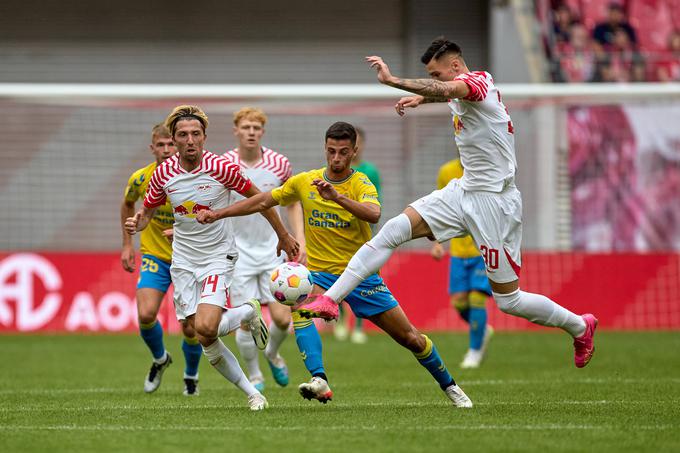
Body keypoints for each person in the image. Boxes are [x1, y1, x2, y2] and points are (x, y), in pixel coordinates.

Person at [300, 37, 598, 370]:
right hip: (464, 191)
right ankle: (330, 300)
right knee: (393, 230)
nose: (436, 80)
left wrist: (394, 81)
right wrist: (419, 98)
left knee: (509, 301)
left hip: (495, 203)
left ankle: (579, 326)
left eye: (437, 74)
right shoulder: (462, 92)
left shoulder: (477, 82)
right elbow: (446, 94)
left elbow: (450, 91)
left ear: (455, 67)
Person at [196, 121, 473, 408]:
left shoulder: (360, 183)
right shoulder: (305, 181)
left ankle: (451, 387)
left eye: (343, 152)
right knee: (298, 304)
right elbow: (262, 200)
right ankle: (319, 379)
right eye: (331, 151)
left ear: (353, 152)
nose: (336, 158)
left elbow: (374, 214)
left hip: (361, 277)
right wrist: (218, 214)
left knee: (412, 339)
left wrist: (337, 197)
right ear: (325, 150)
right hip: (319, 275)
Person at [125, 105, 299, 410]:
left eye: (195, 134)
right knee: (198, 334)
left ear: (204, 137)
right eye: (182, 135)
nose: (189, 140)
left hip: (218, 256)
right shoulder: (163, 175)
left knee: (206, 328)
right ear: (174, 139)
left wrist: (283, 235)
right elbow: (147, 214)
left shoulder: (222, 168)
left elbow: (262, 199)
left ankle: (246, 313)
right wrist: (137, 225)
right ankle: (253, 392)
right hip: (183, 261)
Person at [223, 107, 305, 392]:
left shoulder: (279, 164)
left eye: (256, 128)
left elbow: (292, 201)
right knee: (246, 320)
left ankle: (271, 353)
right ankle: (255, 375)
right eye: (245, 127)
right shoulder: (224, 164)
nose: (251, 132)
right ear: (236, 130)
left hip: (273, 249)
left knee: (283, 319)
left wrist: (300, 240)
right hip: (238, 254)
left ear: (262, 132)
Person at [121, 123, 203, 395]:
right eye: (161, 145)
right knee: (145, 314)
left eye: (171, 144)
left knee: (191, 328)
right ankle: (160, 359)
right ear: (152, 147)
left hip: (189, 258)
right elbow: (128, 203)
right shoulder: (141, 179)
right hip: (156, 255)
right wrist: (127, 244)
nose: (167, 150)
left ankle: (191, 376)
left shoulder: (192, 176)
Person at [430, 159, 493, 369]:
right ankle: (481, 329)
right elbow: (439, 208)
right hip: (458, 250)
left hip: (482, 247)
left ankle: (474, 351)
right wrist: (438, 242)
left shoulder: (487, 168)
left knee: (477, 298)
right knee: (459, 302)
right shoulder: (447, 171)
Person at [334, 126, 381, 344]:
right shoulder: (336, 171)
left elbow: (374, 204)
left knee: (364, 277)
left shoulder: (369, 172)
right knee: (340, 274)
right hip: (339, 230)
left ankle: (360, 326)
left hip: (363, 231)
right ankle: (342, 321)